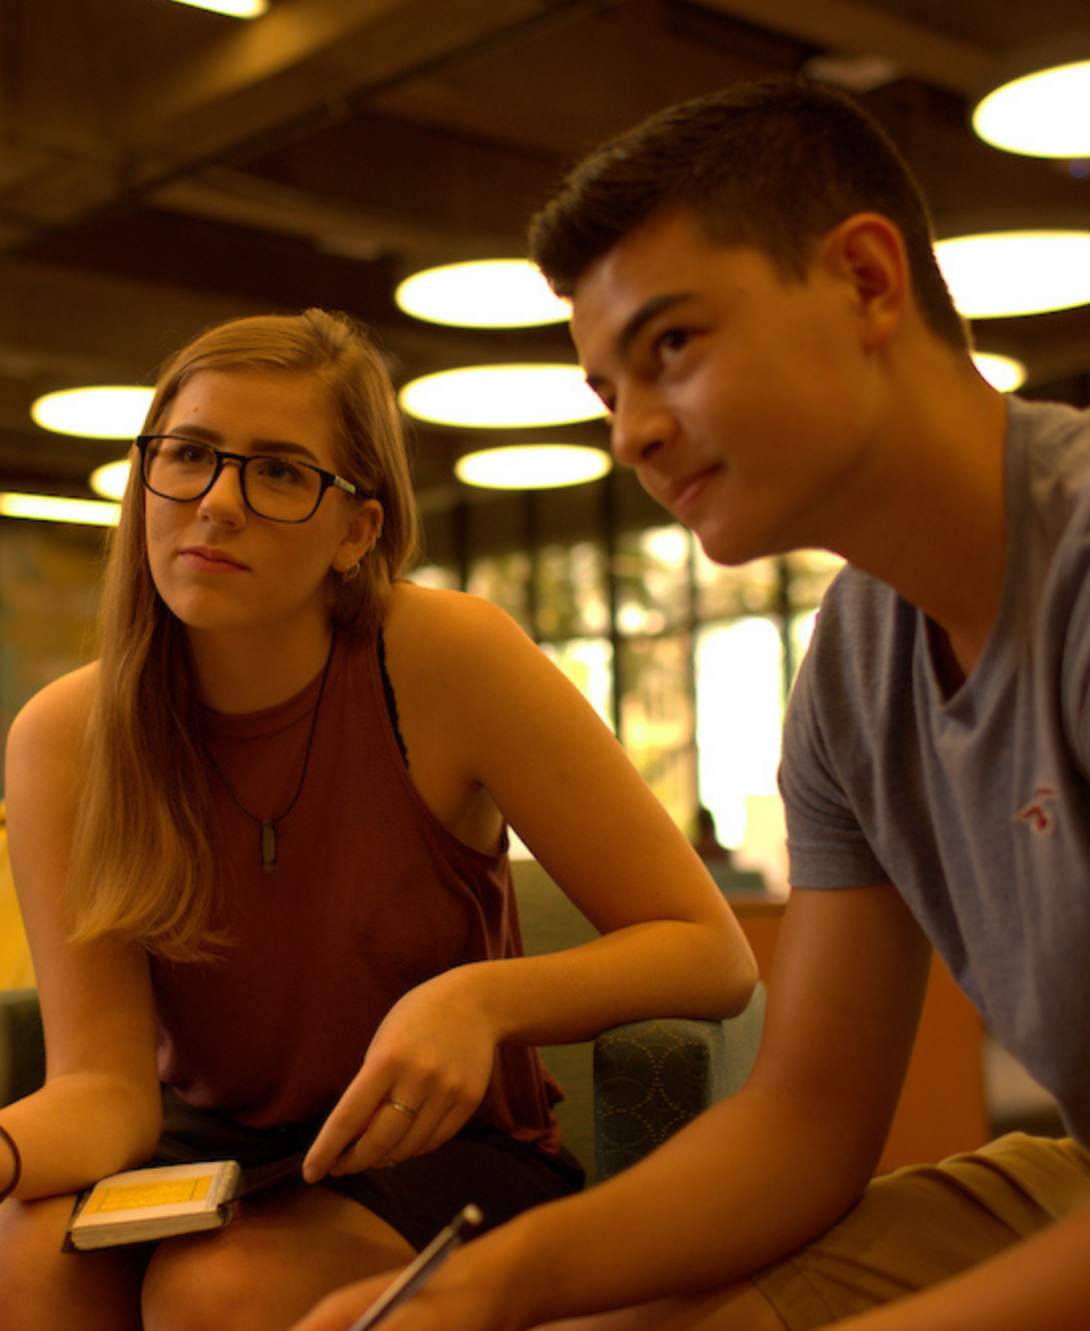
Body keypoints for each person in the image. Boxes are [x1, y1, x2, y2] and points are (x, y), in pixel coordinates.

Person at [290, 74, 1090, 1331]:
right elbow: (807, 1124)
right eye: (608, 390)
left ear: (867, 282)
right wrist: (481, 1285)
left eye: (670, 346)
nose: (633, 434)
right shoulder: (852, 666)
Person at [0, 307, 757, 1330]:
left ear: (357, 527)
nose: (216, 503)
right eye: (187, 455)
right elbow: (104, 1090)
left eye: (278, 471)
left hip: (436, 1153)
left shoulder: (447, 657)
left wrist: (480, 1000)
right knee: (25, 1265)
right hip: (201, 1150)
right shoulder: (65, 734)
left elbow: (710, 951)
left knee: (217, 1289)